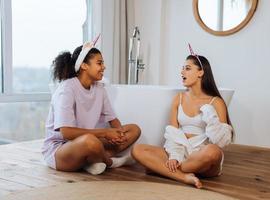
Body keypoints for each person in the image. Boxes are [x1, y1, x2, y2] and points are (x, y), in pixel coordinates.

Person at [131, 44, 233, 188]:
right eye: (182, 68)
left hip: (202, 157)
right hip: (179, 153)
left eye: (187, 68)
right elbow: (173, 134)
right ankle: (184, 177)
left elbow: (222, 141)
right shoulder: (178, 99)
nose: (182, 72)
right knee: (138, 150)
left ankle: (162, 169)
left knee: (214, 152)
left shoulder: (216, 102)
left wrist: (209, 114)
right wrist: (175, 157)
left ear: (201, 72)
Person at [42, 35, 141, 175]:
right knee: (90, 142)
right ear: (84, 66)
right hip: (60, 150)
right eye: (99, 63)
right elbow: (66, 133)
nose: (104, 67)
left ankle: (92, 160)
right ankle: (109, 162)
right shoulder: (66, 90)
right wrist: (106, 133)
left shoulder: (99, 88)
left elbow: (113, 120)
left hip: (90, 140)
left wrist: (118, 134)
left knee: (133, 129)